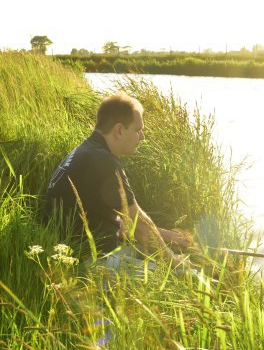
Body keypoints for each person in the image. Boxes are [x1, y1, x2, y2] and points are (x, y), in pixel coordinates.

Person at [44, 92, 192, 274]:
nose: (142, 137)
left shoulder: (87, 151)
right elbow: (139, 225)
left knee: (155, 252)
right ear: (120, 131)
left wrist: (170, 237)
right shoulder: (104, 162)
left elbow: (123, 223)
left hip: (83, 250)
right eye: (138, 130)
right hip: (89, 262)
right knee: (175, 278)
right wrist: (175, 263)